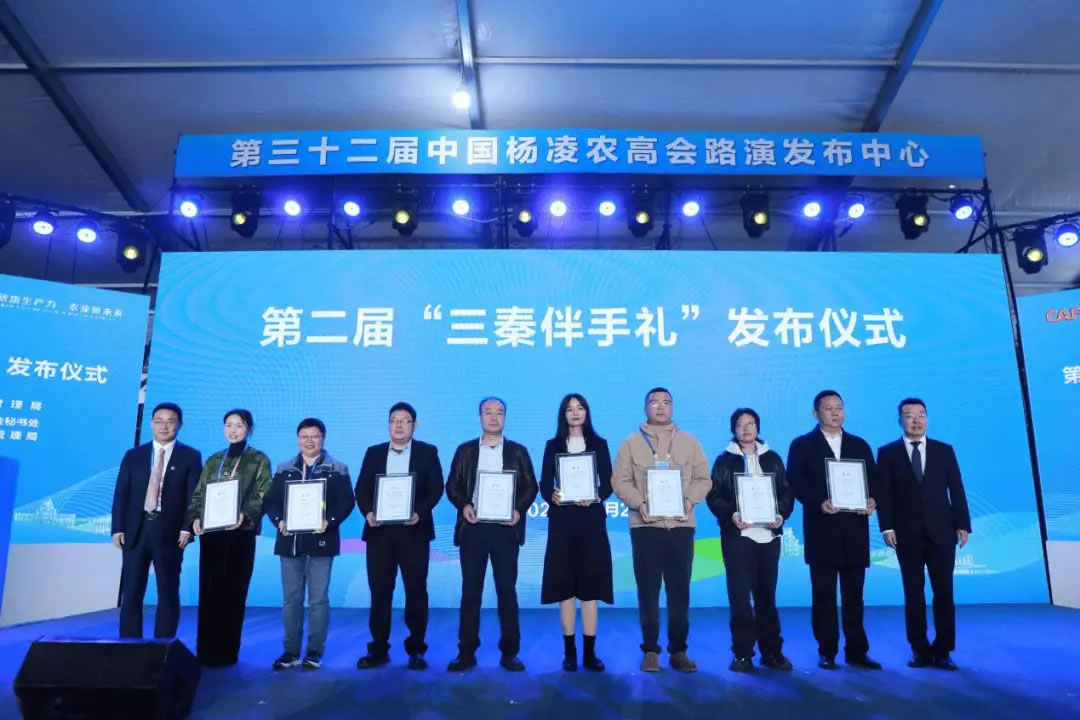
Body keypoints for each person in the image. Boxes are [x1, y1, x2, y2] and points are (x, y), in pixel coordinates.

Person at [611, 387, 711, 673]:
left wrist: (690, 500)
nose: (661, 407)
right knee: (648, 591)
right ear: (646, 408)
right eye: (654, 402)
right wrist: (639, 503)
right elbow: (619, 481)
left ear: (672, 408)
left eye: (667, 402)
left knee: (680, 592)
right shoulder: (631, 443)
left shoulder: (689, 442)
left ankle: (678, 651)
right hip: (646, 527)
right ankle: (650, 651)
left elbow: (704, 478)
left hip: (681, 527)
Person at [787, 390, 882, 670]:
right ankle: (826, 650)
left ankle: (857, 651)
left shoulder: (859, 444)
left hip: (855, 531)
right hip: (822, 531)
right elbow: (795, 482)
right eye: (828, 408)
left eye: (839, 407)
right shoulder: (802, 445)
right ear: (816, 414)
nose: (835, 412)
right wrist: (819, 502)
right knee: (824, 595)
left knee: (855, 595)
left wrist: (872, 499)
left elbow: (873, 479)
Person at [876, 398, 971, 671]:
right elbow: (884, 493)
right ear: (900, 421)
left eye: (921, 415)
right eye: (909, 415)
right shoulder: (888, 453)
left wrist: (962, 524)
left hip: (942, 532)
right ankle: (919, 649)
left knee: (944, 593)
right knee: (913, 593)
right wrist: (887, 527)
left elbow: (957, 488)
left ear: (927, 419)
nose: (916, 420)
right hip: (906, 535)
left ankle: (943, 650)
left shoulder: (944, 450)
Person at [445, 397, 538, 672]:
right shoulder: (465, 451)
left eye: (499, 412)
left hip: (505, 530)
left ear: (505, 418)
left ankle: (510, 653)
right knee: (470, 593)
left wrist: (518, 510)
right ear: (480, 418)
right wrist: (464, 505)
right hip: (473, 528)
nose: (494, 417)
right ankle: (466, 652)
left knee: (506, 592)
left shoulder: (518, 451)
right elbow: (452, 485)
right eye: (488, 412)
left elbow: (531, 486)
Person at [354, 402, 444, 671]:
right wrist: (368, 512)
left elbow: (436, 488)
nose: (399, 425)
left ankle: (416, 649)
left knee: (416, 592)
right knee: (380, 593)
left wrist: (419, 512)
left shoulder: (427, 452)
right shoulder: (374, 452)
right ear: (388, 424)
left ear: (414, 425)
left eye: (405, 420)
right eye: (394, 420)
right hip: (379, 534)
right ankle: (378, 649)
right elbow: (361, 489)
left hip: (414, 532)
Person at [707, 407, 794, 672]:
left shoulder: (773, 458)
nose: (746, 429)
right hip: (738, 536)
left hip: (768, 536)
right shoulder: (724, 461)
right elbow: (714, 496)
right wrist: (731, 514)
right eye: (741, 424)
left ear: (758, 427)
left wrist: (780, 514)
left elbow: (786, 492)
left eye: (751, 424)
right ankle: (743, 653)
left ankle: (772, 652)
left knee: (766, 596)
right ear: (733, 429)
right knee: (740, 597)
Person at [263, 418, 354, 671]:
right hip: (289, 543)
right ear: (298, 440)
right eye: (304, 436)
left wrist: (329, 521)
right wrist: (279, 521)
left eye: (315, 436)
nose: (310, 441)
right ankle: (291, 652)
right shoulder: (284, 468)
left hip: (322, 542)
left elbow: (346, 502)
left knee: (318, 600)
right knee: (291, 601)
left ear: (323, 438)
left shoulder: (338, 468)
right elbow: (271, 502)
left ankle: (314, 651)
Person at [187, 409, 273, 667]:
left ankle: (227, 652)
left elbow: (264, 493)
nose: (233, 430)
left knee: (234, 592)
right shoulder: (214, 460)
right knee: (209, 592)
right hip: (212, 535)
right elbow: (198, 494)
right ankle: (205, 652)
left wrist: (246, 515)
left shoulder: (258, 459)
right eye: (228, 425)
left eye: (239, 425)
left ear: (249, 429)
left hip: (240, 534)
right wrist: (195, 517)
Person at [111, 402, 202, 639]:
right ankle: (129, 645)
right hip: (136, 530)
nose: (164, 426)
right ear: (151, 424)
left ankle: (164, 645)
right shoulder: (134, 455)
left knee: (168, 590)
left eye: (170, 421)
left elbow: (194, 496)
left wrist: (187, 528)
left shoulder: (190, 456)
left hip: (170, 532)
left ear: (179, 425)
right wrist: (118, 528)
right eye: (159, 421)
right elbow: (121, 493)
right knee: (131, 591)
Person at [539, 393, 614, 672]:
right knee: (565, 587)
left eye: (580, 408)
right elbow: (544, 483)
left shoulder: (599, 444)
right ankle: (569, 653)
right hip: (562, 522)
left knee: (591, 588)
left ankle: (590, 654)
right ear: (563, 414)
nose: (575, 412)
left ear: (587, 412)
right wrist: (552, 495)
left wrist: (595, 495)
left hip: (591, 521)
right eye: (570, 409)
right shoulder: (553, 445)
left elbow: (609, 482)